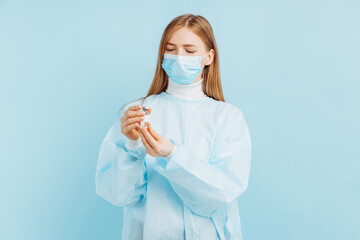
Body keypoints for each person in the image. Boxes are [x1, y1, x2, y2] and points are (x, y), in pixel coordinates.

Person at [95, 14, 252, 240]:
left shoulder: (227, 117)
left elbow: (221, 193)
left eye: (189, 51)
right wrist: (132, 146)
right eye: (171, 49)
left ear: (209, 57)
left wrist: (172, 154)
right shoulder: (138, 112)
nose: (179, 57)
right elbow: (120, 196)